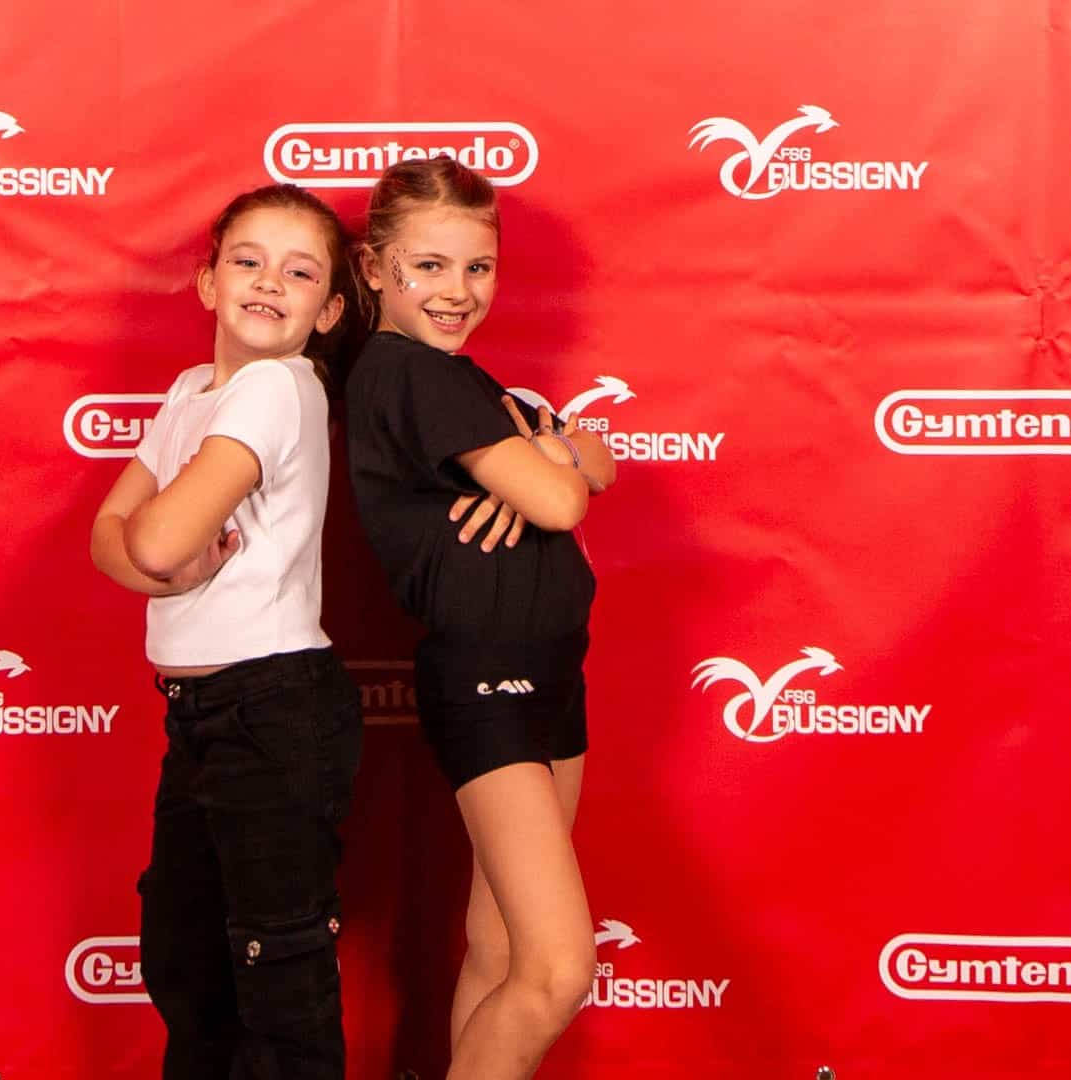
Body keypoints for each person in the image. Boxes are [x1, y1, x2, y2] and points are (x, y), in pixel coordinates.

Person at [345, 157, 617, 1079]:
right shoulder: (411, 373)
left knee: (500, 951)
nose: (457, 291)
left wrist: (551, 454)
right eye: (428, 266)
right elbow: (566, 499)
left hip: (550, 671)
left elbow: (595, 455)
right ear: (374, 267)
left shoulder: (458, 377)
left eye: (478, 266)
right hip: (489, 674)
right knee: (556, 969)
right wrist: (549, 466)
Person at [90, 183, 364, 1079]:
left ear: (328, 312)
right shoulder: (190, 393)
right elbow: (107, 538)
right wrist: (165, 563)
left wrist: (159, 556)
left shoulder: (277, 387)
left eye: (300, 272)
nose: (268, 282)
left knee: (277, 983)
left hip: (271, 707)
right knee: (188, 965)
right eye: (247, 261)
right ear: (209, 282)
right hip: (202, 712)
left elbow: (151, 539)